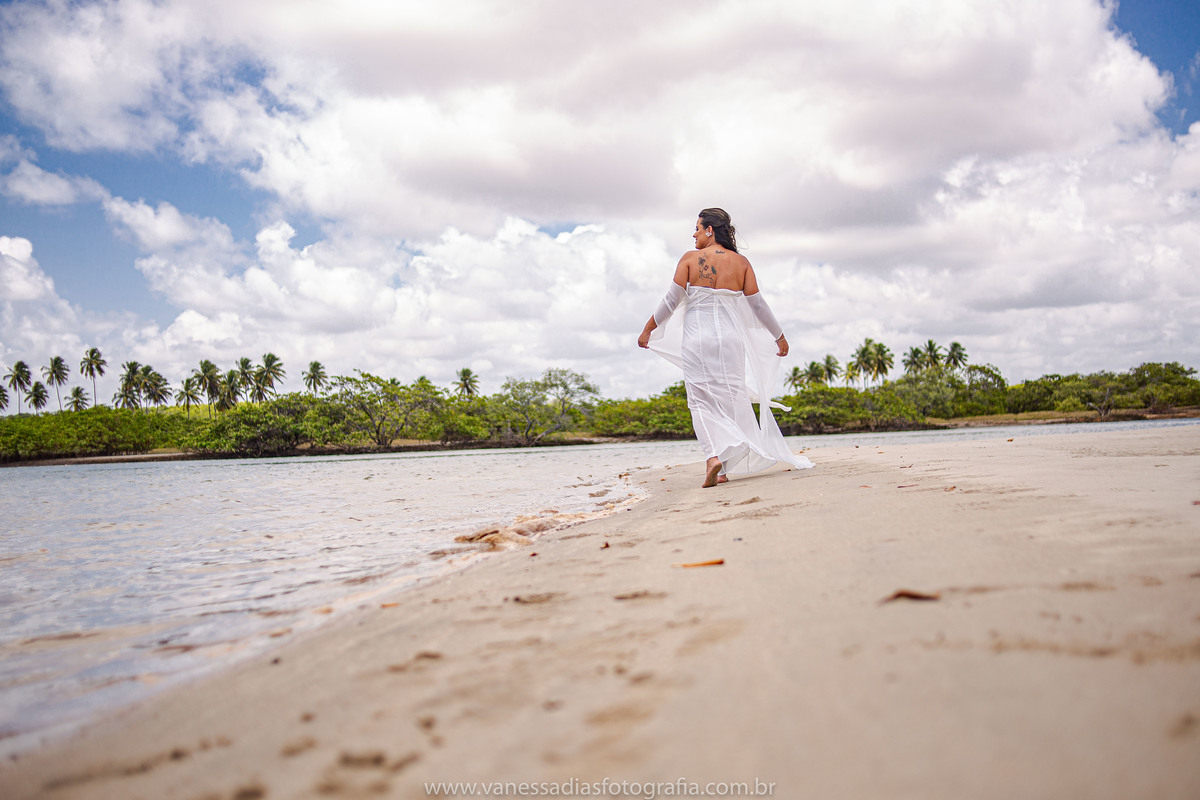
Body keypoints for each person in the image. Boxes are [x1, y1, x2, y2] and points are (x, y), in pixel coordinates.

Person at [638, 208, 814, 487]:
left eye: (697, 228)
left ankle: (713, 458)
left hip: (698, 338)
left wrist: (648, 329)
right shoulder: (741, 263)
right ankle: (722, 469)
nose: (693, 233)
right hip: (731, 340)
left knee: (699, 401)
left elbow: (670, 301)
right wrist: (779, 336)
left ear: (710, 230)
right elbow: (757, 305)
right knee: (732, 398)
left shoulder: (689, 259)